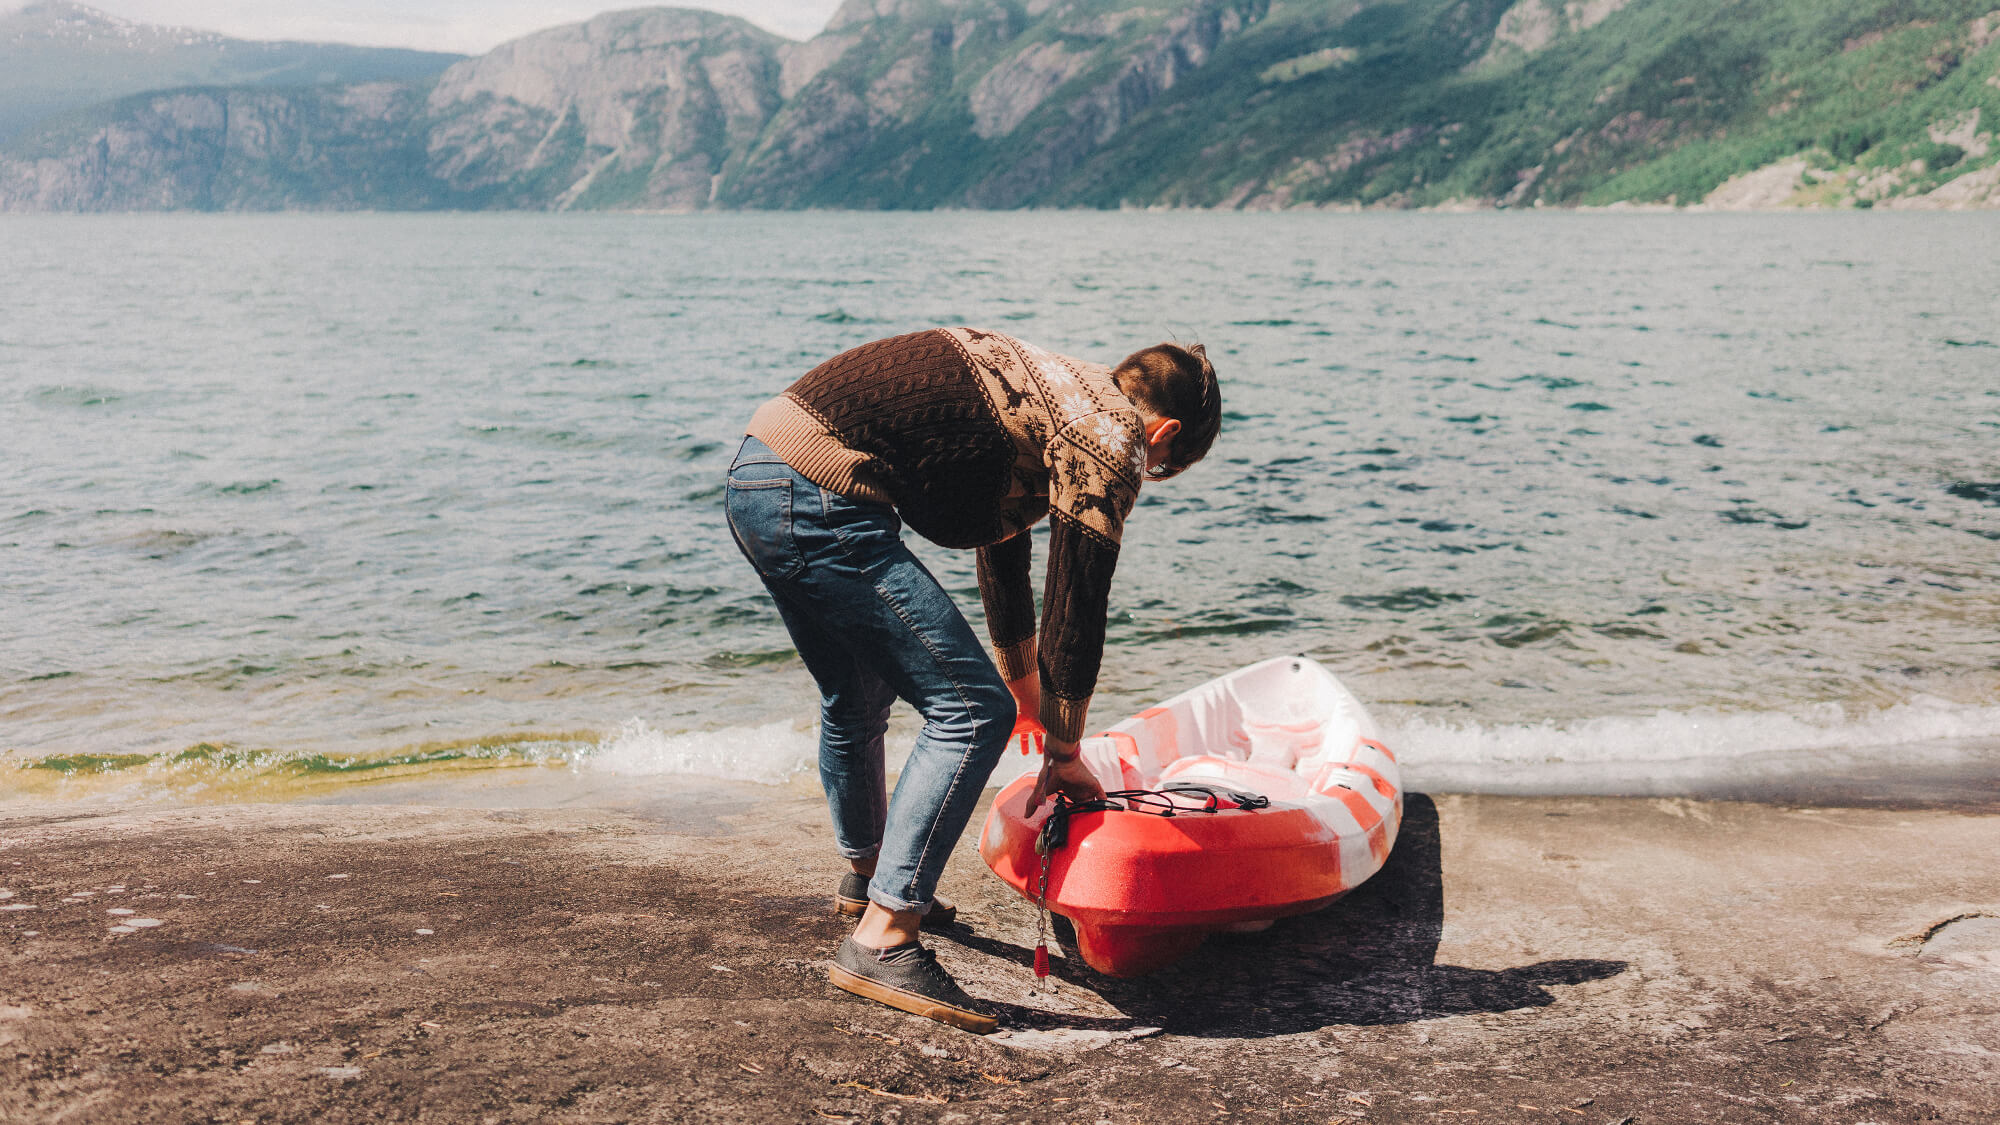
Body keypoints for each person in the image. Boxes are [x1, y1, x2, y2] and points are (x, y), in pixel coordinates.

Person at [723, 327, 1220, 1032]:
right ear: (1163, 431)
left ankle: (868, 880)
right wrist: (1064, 749)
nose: (1147, 472)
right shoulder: (1111, 433)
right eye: (1163, 464)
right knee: (968, 710)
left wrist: (1027, 696)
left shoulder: (1057, 389)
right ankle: (885, 936)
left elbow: (1002, 546)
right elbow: (1077, 602)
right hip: (823, 497)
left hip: (757, 472)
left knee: (857, 694)